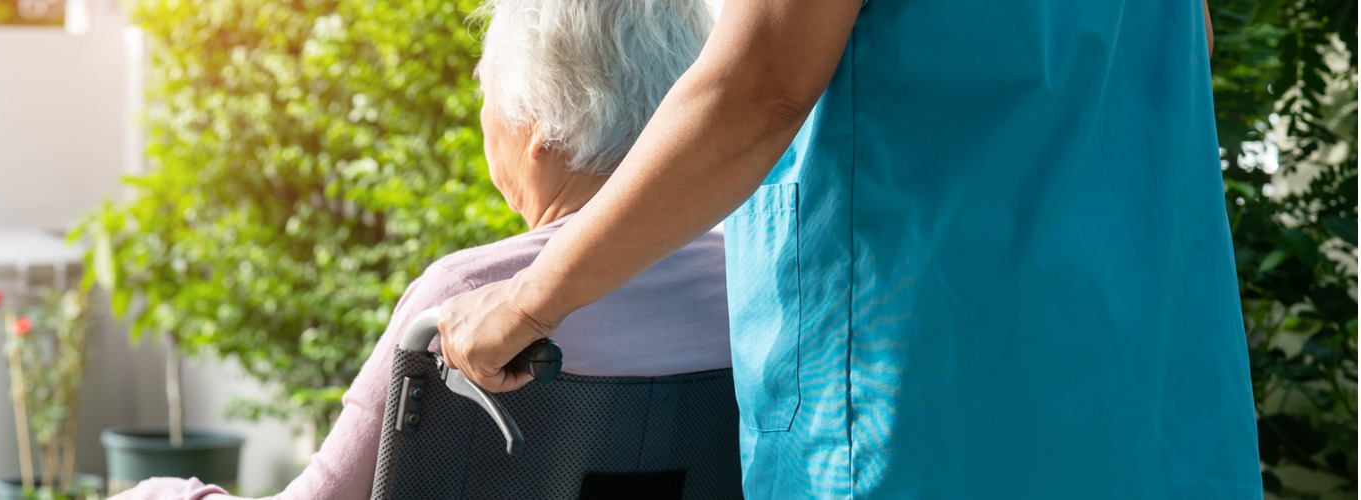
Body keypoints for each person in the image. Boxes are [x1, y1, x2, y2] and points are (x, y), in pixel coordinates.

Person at [438, 0, 1260, 497]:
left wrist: (524, 300)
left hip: (935, 416)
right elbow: (1188, 52)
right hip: (1145, 398)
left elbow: (759, 87)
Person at [112, 1, 722, 498]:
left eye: (488, 89)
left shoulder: (476, 301)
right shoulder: (739, 285)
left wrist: (166, 493)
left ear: (537, 127)